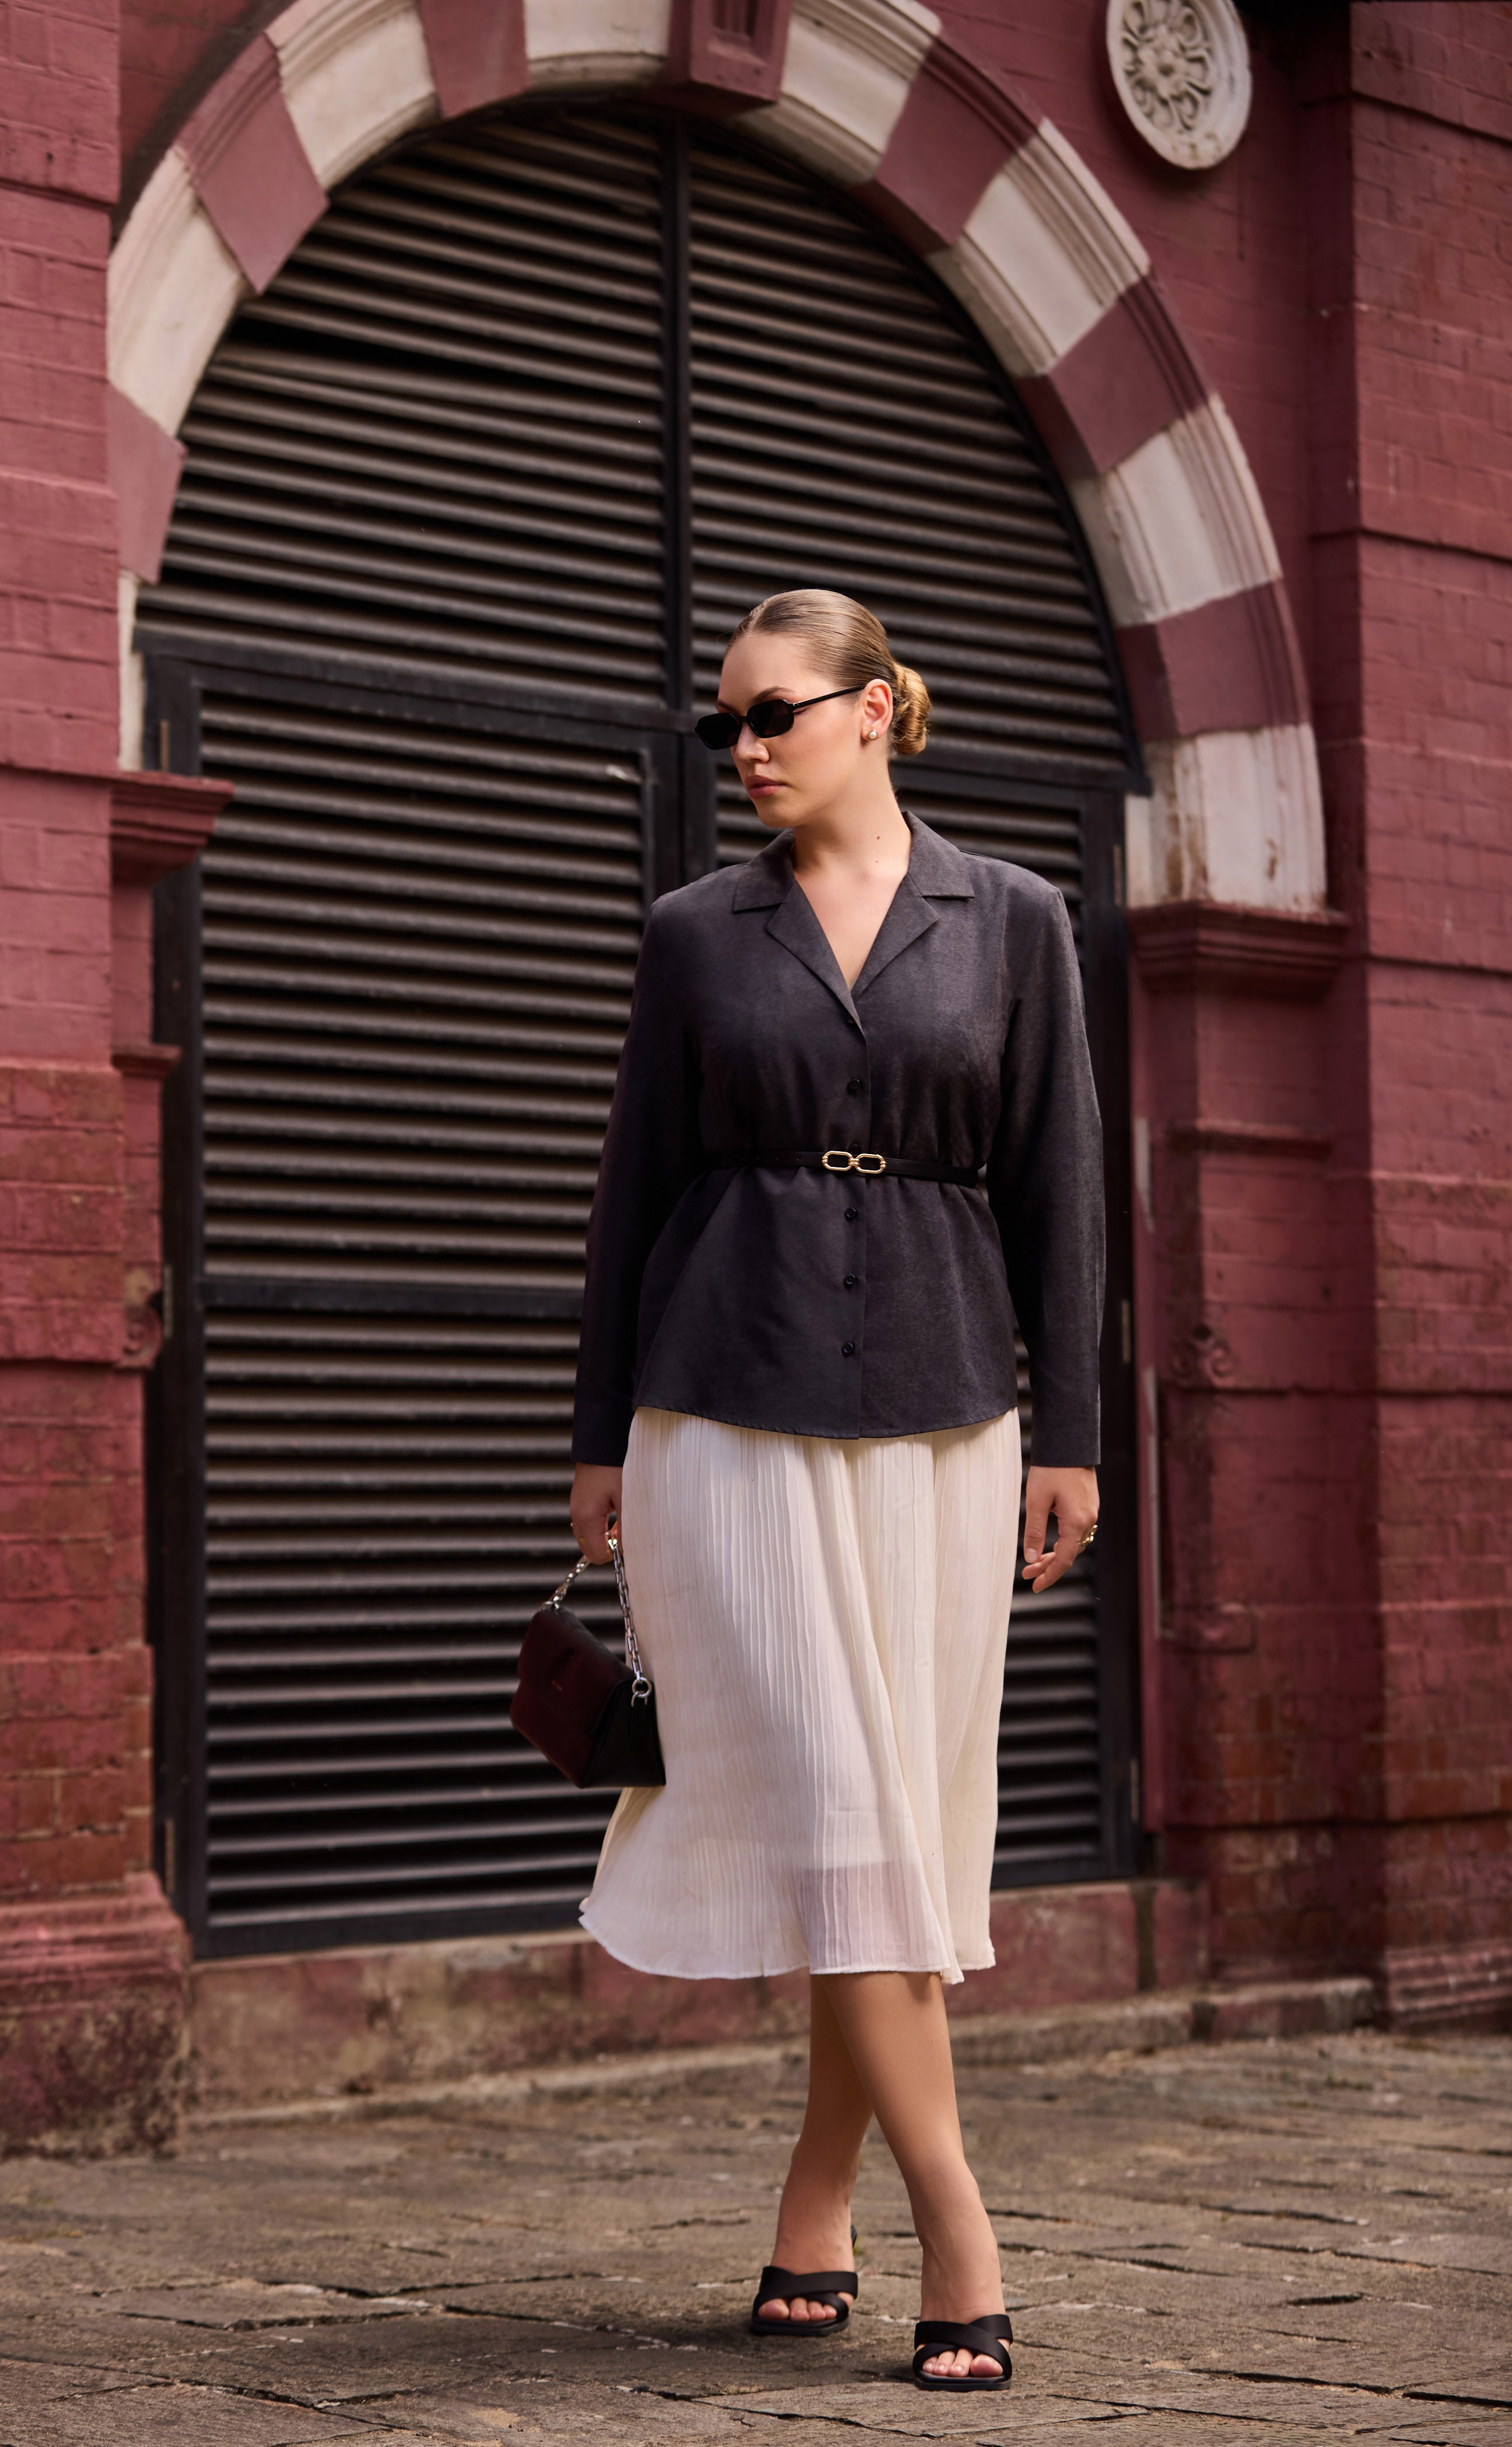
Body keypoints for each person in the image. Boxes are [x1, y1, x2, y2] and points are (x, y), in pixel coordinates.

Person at [566, 588, 1103, 2394]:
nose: (743, 749)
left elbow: (1062, 1194)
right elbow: (632, 1192)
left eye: (772, 713)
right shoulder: (692, 934)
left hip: (948, 1418)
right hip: (724, 1404)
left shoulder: (1014, 919)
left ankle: (814, 2202)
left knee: (891, 1829)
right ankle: (958, 2225)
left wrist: (1069, 1433)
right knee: (840, 1810)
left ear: (875, 709)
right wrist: (596, 1438)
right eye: (725, 723)